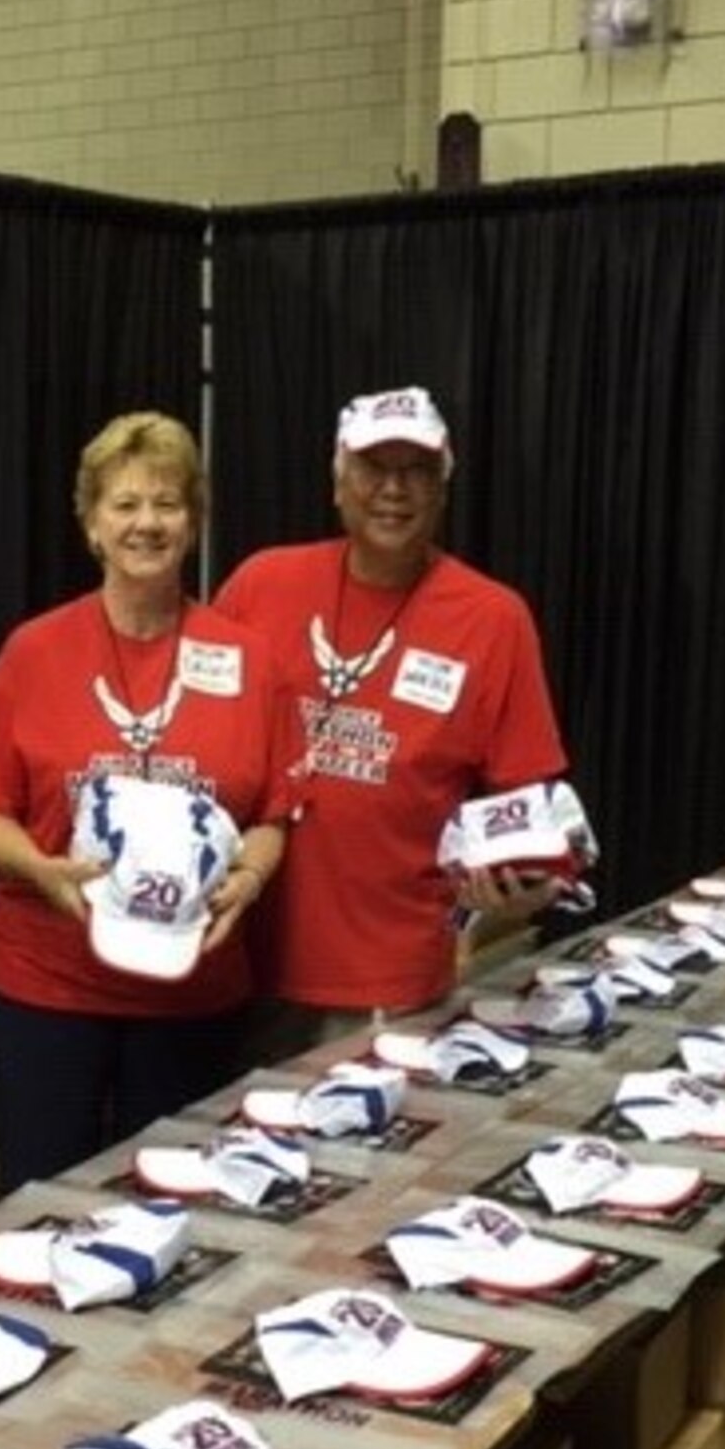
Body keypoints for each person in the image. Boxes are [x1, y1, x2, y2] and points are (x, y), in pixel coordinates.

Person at [0, 411, 301, 1191]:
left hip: (192, 989)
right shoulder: (35, 651)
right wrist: (40, 866)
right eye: (125, 504)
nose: (146, 524)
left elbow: (272, 814)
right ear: (92, 524)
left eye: (167, 504)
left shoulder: (248, 659)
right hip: (47, 984)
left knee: (171, 1204)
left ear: (194, 523)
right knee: (38, 1197)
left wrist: (253, 879)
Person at [213, 384, 570, 1052]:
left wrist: (522, 885)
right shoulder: (261, 585)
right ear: (338, 481)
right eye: (375, 467)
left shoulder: (493, 619)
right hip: (237, 966)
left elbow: (533, 810)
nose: (394, 490)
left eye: (417, 470)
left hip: (389, 984)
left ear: (443, 488)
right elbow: (183, 714)